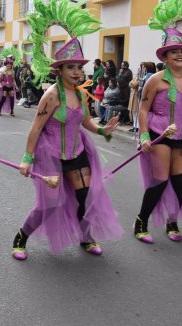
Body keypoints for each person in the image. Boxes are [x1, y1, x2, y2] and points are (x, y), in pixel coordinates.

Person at [11, 38, 123, 260]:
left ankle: (86, 237)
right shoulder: (51, 95)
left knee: (87, 197)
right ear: (59, 70)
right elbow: (35, 128)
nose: (76, 71)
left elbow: (86, 121)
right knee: (50, 204)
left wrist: (103, 131)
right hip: (50, 154)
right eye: (70, 67)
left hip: (77, 152)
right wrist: (26, 158)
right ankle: (21, 237)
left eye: (79, 67)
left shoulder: (81, 94)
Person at [135, 28, 182, 243]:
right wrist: (144, 135)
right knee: (160, 180)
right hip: (160, 133)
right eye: (174, 51)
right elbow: (143, 109)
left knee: (181, 182)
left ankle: (172, 222)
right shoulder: (155, 80)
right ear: (164, 56)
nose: (180, 55)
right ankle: (141, 221)